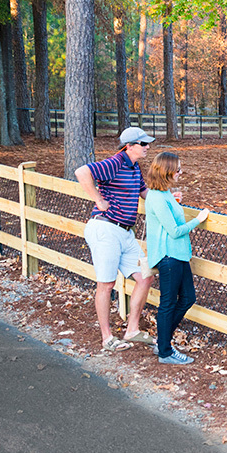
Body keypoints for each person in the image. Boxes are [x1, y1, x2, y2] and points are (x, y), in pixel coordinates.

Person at [75, 127, 157, 352]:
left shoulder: (134, 167)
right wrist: (98, 200)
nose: (147, 147)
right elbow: (82, 172)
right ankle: (107, 337)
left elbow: (144, 193)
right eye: (143, 144)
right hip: (105, 229)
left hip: (126, 232)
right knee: (106, 284)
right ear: (129, 146)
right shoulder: (115, 162)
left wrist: (167, 197)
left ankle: (132, 330)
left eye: (147, 143)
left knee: (145, 277)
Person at [143, 152, 209, 365]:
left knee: (188, 298)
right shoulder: (157, 197)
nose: (181, 172)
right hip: (168, 256)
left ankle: (162, 342)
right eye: (178, 169)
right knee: (168, 303)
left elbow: (168, 214)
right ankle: (165, 352)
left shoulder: (165, 194)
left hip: (178, 255)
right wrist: (198, 220)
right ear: (167, 171)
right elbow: (174, 230)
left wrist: (176, 202)